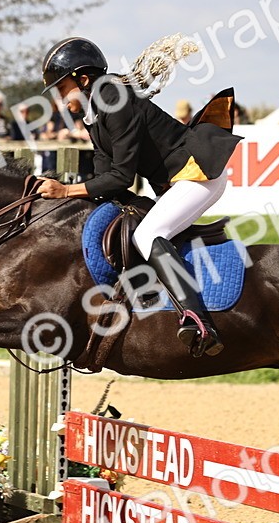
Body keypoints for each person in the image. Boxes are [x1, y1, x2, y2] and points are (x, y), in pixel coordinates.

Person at [34, 36, 242, 357]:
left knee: (148, 233)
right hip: (179, 182)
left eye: (62, 88)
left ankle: (199, 320)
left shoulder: (114, 100)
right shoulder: (95, 114)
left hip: (196, 173)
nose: (61, 99)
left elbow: (121, 176)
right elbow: (106, 179)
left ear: (83, 80)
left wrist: (65, 190)